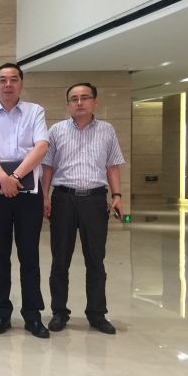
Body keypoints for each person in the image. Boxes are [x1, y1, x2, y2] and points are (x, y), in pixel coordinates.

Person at [42, 82, 124, 335]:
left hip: (95, 200)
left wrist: (117, 195)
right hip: (63, 199)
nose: (79, 102)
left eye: (85, 97)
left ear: (94, 102)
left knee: (96, 259)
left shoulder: (107, 130)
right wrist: (44, 197)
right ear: (68, 104)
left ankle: (97, 314)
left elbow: (112, 166)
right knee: (60, 260)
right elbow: (48, 167)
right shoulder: (56, 131)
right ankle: (59, 312)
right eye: (74, 98)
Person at [0, 62, 50, 338]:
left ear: (21, 83)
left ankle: (32, 315)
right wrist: (3, 179)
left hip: (28, 194)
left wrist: (14, 176)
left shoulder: (35, 111)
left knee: (29, 255)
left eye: (14, 79)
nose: (8, 84)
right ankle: (1, 314)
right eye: (3, 80)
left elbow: (41, 146)